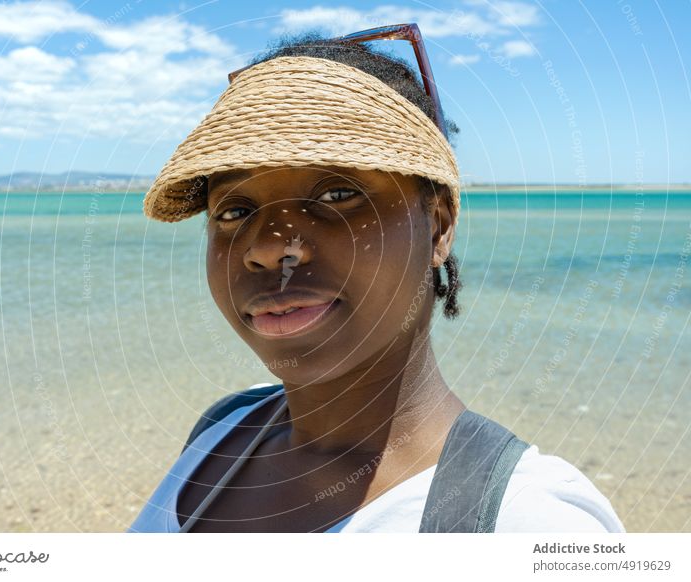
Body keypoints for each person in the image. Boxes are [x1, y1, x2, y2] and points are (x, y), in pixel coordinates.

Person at [129, 27, 625, 533]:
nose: (268, 247)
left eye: (337, 195)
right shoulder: (225, 429)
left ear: (438, 226)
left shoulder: (525, 521)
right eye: (235, 210)